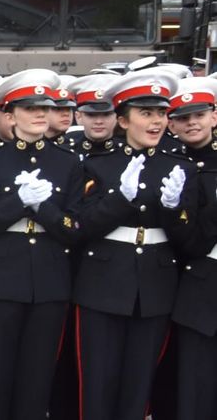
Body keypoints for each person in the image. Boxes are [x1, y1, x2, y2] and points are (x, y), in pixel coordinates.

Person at [73, 69, 195, 420]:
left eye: (160, 113)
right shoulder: (98, 165)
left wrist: (174, 211)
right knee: (97, 381)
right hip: (103, 282)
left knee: (138, 384)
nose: (156, 121)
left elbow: (188, 241)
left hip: (155, 287)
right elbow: (80, 227)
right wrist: (118, 200)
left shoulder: (180, 168)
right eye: (146, 113)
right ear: (123, 120)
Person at [0, 69, 82, 420]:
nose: (39, 114)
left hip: (49, 282)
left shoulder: (67, 162)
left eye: (44, 108)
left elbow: (73, 228)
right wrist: (17, 201)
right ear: (10, 114)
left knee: (37, 376)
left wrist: (43, 208)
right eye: (29, 107)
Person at [169, 76, 217, 420]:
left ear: (214, 116)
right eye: (183, 118)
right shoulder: (170, 165)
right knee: (194, 383)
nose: (192, 123)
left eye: (199, 114)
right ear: (171, 124)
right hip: (195, 281)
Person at [64, 74, 122, 157]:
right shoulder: (66, 154)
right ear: (78, 117)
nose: (99, 121)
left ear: (117, 116)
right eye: (91, 115)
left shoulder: (130, 155)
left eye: (106, 114)